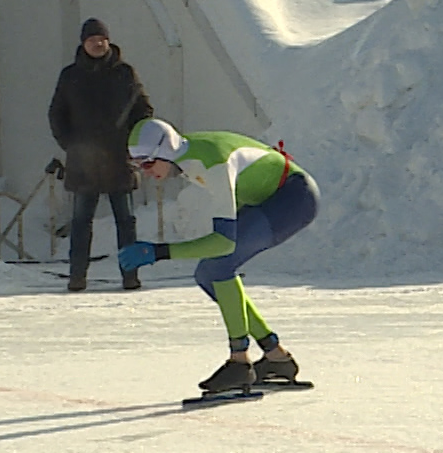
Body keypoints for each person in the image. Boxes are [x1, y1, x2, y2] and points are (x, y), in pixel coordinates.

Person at [117, 118, 320, 392]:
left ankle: (239, 362)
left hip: (294, 199)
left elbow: (223, 243)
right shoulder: (187, 157)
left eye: (148, 163)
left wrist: (158, 252)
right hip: (271, 197)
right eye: (137, 165)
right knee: (208, 274)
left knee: (220, 265)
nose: (144, 172)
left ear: (164, 152)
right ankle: (275, 355)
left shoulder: (212, 164)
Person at [48, 18, 151, 292]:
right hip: (84, 162)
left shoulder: (125, 73)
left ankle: (130, 275)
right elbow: (57, 114)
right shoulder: (70, 76)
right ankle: (77, 276)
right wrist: (71, 145)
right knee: (81, 222)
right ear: (83, 43)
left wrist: (136, 144)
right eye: (92, 39)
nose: (98, 43)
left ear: (109, 41)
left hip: (120, 159)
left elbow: (143, 111)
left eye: (102, 39)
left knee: (126, 222)